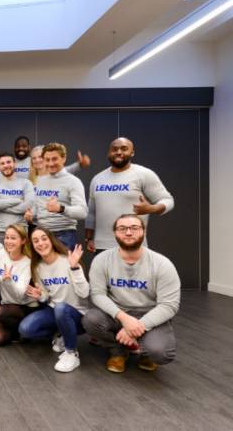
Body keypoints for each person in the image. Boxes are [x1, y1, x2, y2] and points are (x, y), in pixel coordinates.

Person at [82, 214, 180, 373]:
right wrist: (123, 318)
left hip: (148, 314)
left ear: (144, 232)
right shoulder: (102, 260)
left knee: (161, 353)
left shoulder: (162, 264)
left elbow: (169, 305)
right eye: (122, 228)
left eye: (134, 228)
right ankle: (118, 351)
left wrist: (136, 327)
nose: (128, 232)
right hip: (117, 314)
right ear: (115, 233)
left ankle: (145, 352)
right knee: (90, 319)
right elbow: (97, 294)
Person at [85, 137, 175, 253]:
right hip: (101, 246)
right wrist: (89, 238)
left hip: (133, 244)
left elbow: (168, 200)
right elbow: (91, 212)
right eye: (114, 149)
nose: (118, 152)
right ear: (109, 153)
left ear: (132, 153)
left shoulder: (143, 174)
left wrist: (152, 208)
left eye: (124, 149)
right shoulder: (97, 179)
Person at [18, 227, 88, 373]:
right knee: (25, 329)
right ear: (32, 246)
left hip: (76, 313)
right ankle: (61, 334)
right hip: (54, 309)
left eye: (44, 238)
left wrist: (75, 268)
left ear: (51, 240)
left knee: (61, 308)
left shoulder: (68, 260)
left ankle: (71, 353)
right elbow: (47, 297)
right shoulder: (38, 267)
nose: (40, 243)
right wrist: (40, 296)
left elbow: (84, 293)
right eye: (36, 241)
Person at [25, 143, 87, 250]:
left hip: (64, 235)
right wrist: (30, 216)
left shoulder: (73, 181)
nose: (50, 163)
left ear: (64, 158)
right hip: (42, 234)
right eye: (47, 160)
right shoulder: (40, 180)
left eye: (54, 159)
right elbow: (37, 208)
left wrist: (60, 208)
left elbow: (83, 212)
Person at [0, 224, 37, 345]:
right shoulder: (1, 254)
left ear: (23, 241)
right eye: (6, 237)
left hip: (23, 306)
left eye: (13, 238)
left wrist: (8, 280)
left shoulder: (27, 262)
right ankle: (17, 330)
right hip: (6, 304)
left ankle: (24, 326)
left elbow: (19, 296)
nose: (8, 241)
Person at [0, 152, 34, 244]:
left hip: (20, 230)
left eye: (8, 162)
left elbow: (27, 206)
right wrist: (18, 201)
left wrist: (0, 204)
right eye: (2, 163)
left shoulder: (26, 183)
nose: (6, 165)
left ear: (14, 163)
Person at [13, 136, 90, 180]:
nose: (37, 160)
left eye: (40, 157)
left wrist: (79, 165)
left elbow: (64, 170)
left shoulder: (52, 173)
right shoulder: (11, 163)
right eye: (34, 158)